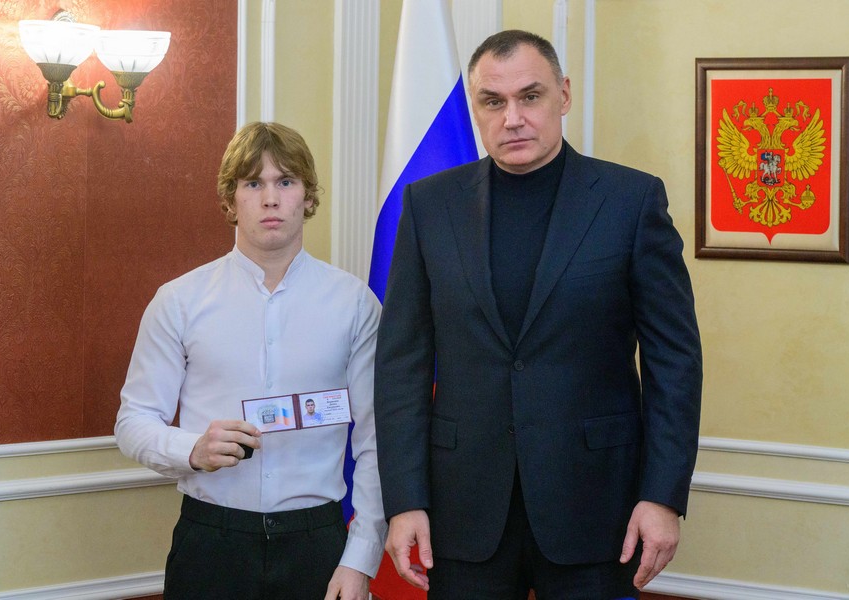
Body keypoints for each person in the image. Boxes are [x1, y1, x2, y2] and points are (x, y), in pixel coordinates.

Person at [374, 30, 702, 600]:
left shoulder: (630, 201)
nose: (513, 118)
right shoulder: (429, 205)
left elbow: (674, 362)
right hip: (461, 511)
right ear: (474, 107)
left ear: (563, 95)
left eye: (530, 96)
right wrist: (405, 501)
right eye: (493, 101)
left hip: (596, 507)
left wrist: (662, 495)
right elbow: (402, 364)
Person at [116, 122, 386, 600]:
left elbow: (376, 441)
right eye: (253, 183)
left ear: (307, 195)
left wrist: (360, 558)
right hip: (210, 543)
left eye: (286, 181)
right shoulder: (178, 301)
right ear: (230, 199)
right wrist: (192, 449)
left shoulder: (355, 304)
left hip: (319, 546)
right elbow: (133, 421)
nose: (271, 199)